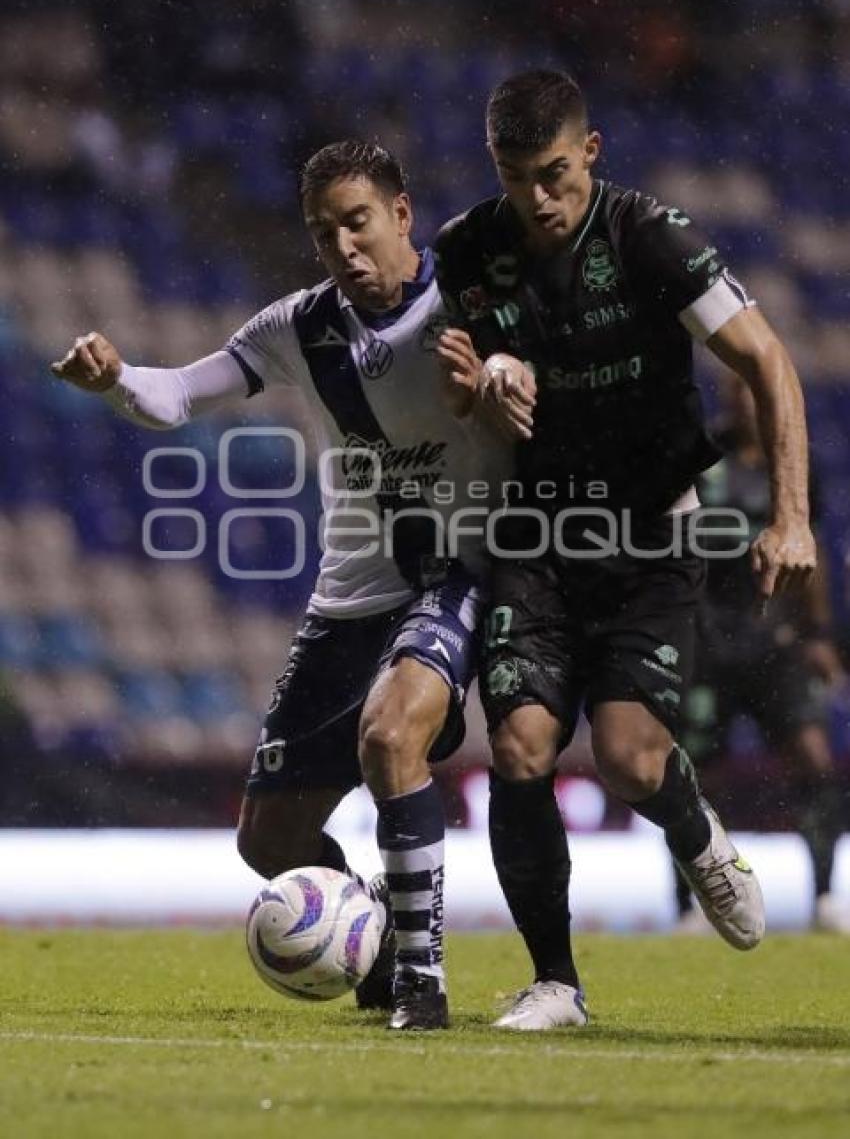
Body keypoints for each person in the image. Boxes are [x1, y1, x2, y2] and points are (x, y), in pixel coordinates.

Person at [51, 139, 506, 1031]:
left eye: (358, 221)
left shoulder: (473, 301)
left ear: (401, 214)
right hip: (348, 600)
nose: (343, 244)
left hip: (455, 574)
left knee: (389, 737)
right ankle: (373, 933)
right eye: (323, 230)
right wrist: (113, 381)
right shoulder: (300, 326)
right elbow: (179, 393)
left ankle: (421, 975)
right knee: (269, 841)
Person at [435, 69, 815, 1031]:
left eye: (557, 172)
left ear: (591, 153)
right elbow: (453, 383)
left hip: (650, 535)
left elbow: (767, 360)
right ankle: (555, 980)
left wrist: (792, 516)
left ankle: (697, 833)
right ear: (497, 168)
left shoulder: (651, 236)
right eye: (519, 176)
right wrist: (479, 385)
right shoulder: (468, 253)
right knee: (520, 746)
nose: (540, 197)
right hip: (536, 533)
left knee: (632, 762)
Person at [674, 374, 847, 933]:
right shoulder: (702, 457)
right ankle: (689, 909)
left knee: (815, 757)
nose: (747, 399)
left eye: (755, 389)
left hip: (774, 642)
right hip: (705, 642)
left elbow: (810, 547)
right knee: (694, 777)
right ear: (726, 395)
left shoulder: (791, 464)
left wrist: (818, 633)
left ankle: (824, 897)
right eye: (738, 389)